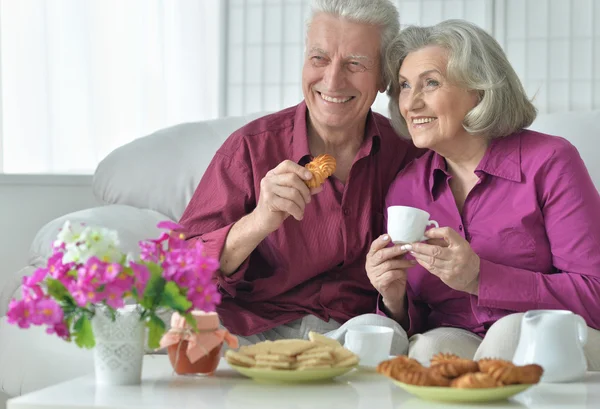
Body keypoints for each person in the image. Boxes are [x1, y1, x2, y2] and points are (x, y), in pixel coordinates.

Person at [178, 0, 419, 349]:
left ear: (383, 77)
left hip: (358, 331)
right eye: (319, 58)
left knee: (390, 340)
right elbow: (180, 271)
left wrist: (395, 302)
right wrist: (258, 221)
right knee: (190, 334)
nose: (333, 80)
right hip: (253, 326)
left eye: (355, 63)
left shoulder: (408, 155)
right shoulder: (249, 149)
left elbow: (427, 293)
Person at [366, 19, 600, 368]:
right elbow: (417, 317)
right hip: (460, 335)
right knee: (428, 353)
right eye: (404, 86)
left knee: (508, 334)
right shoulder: (407, 188)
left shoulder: (550, 162)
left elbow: (594, 295)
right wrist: (393, 298)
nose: (411, 103)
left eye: (430, 83)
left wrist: (481, 278)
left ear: (480, 90)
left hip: (557, 335)